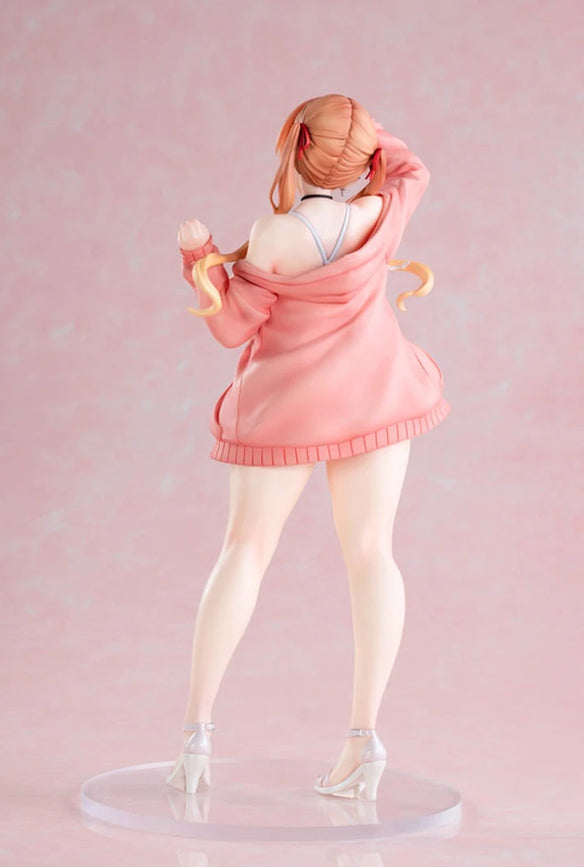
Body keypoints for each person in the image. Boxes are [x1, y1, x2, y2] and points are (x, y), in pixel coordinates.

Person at [166, 93, 451, 801]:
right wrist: (362, 133)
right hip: (378, 395)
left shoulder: (274, 233)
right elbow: (412, 166)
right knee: (373, 553)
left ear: (296, 148)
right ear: (360, 157)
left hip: (289, 408)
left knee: (245, 549)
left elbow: (232, 327)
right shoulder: (381, 210)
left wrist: (198, 255)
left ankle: (196, 738)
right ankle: (364, 741)